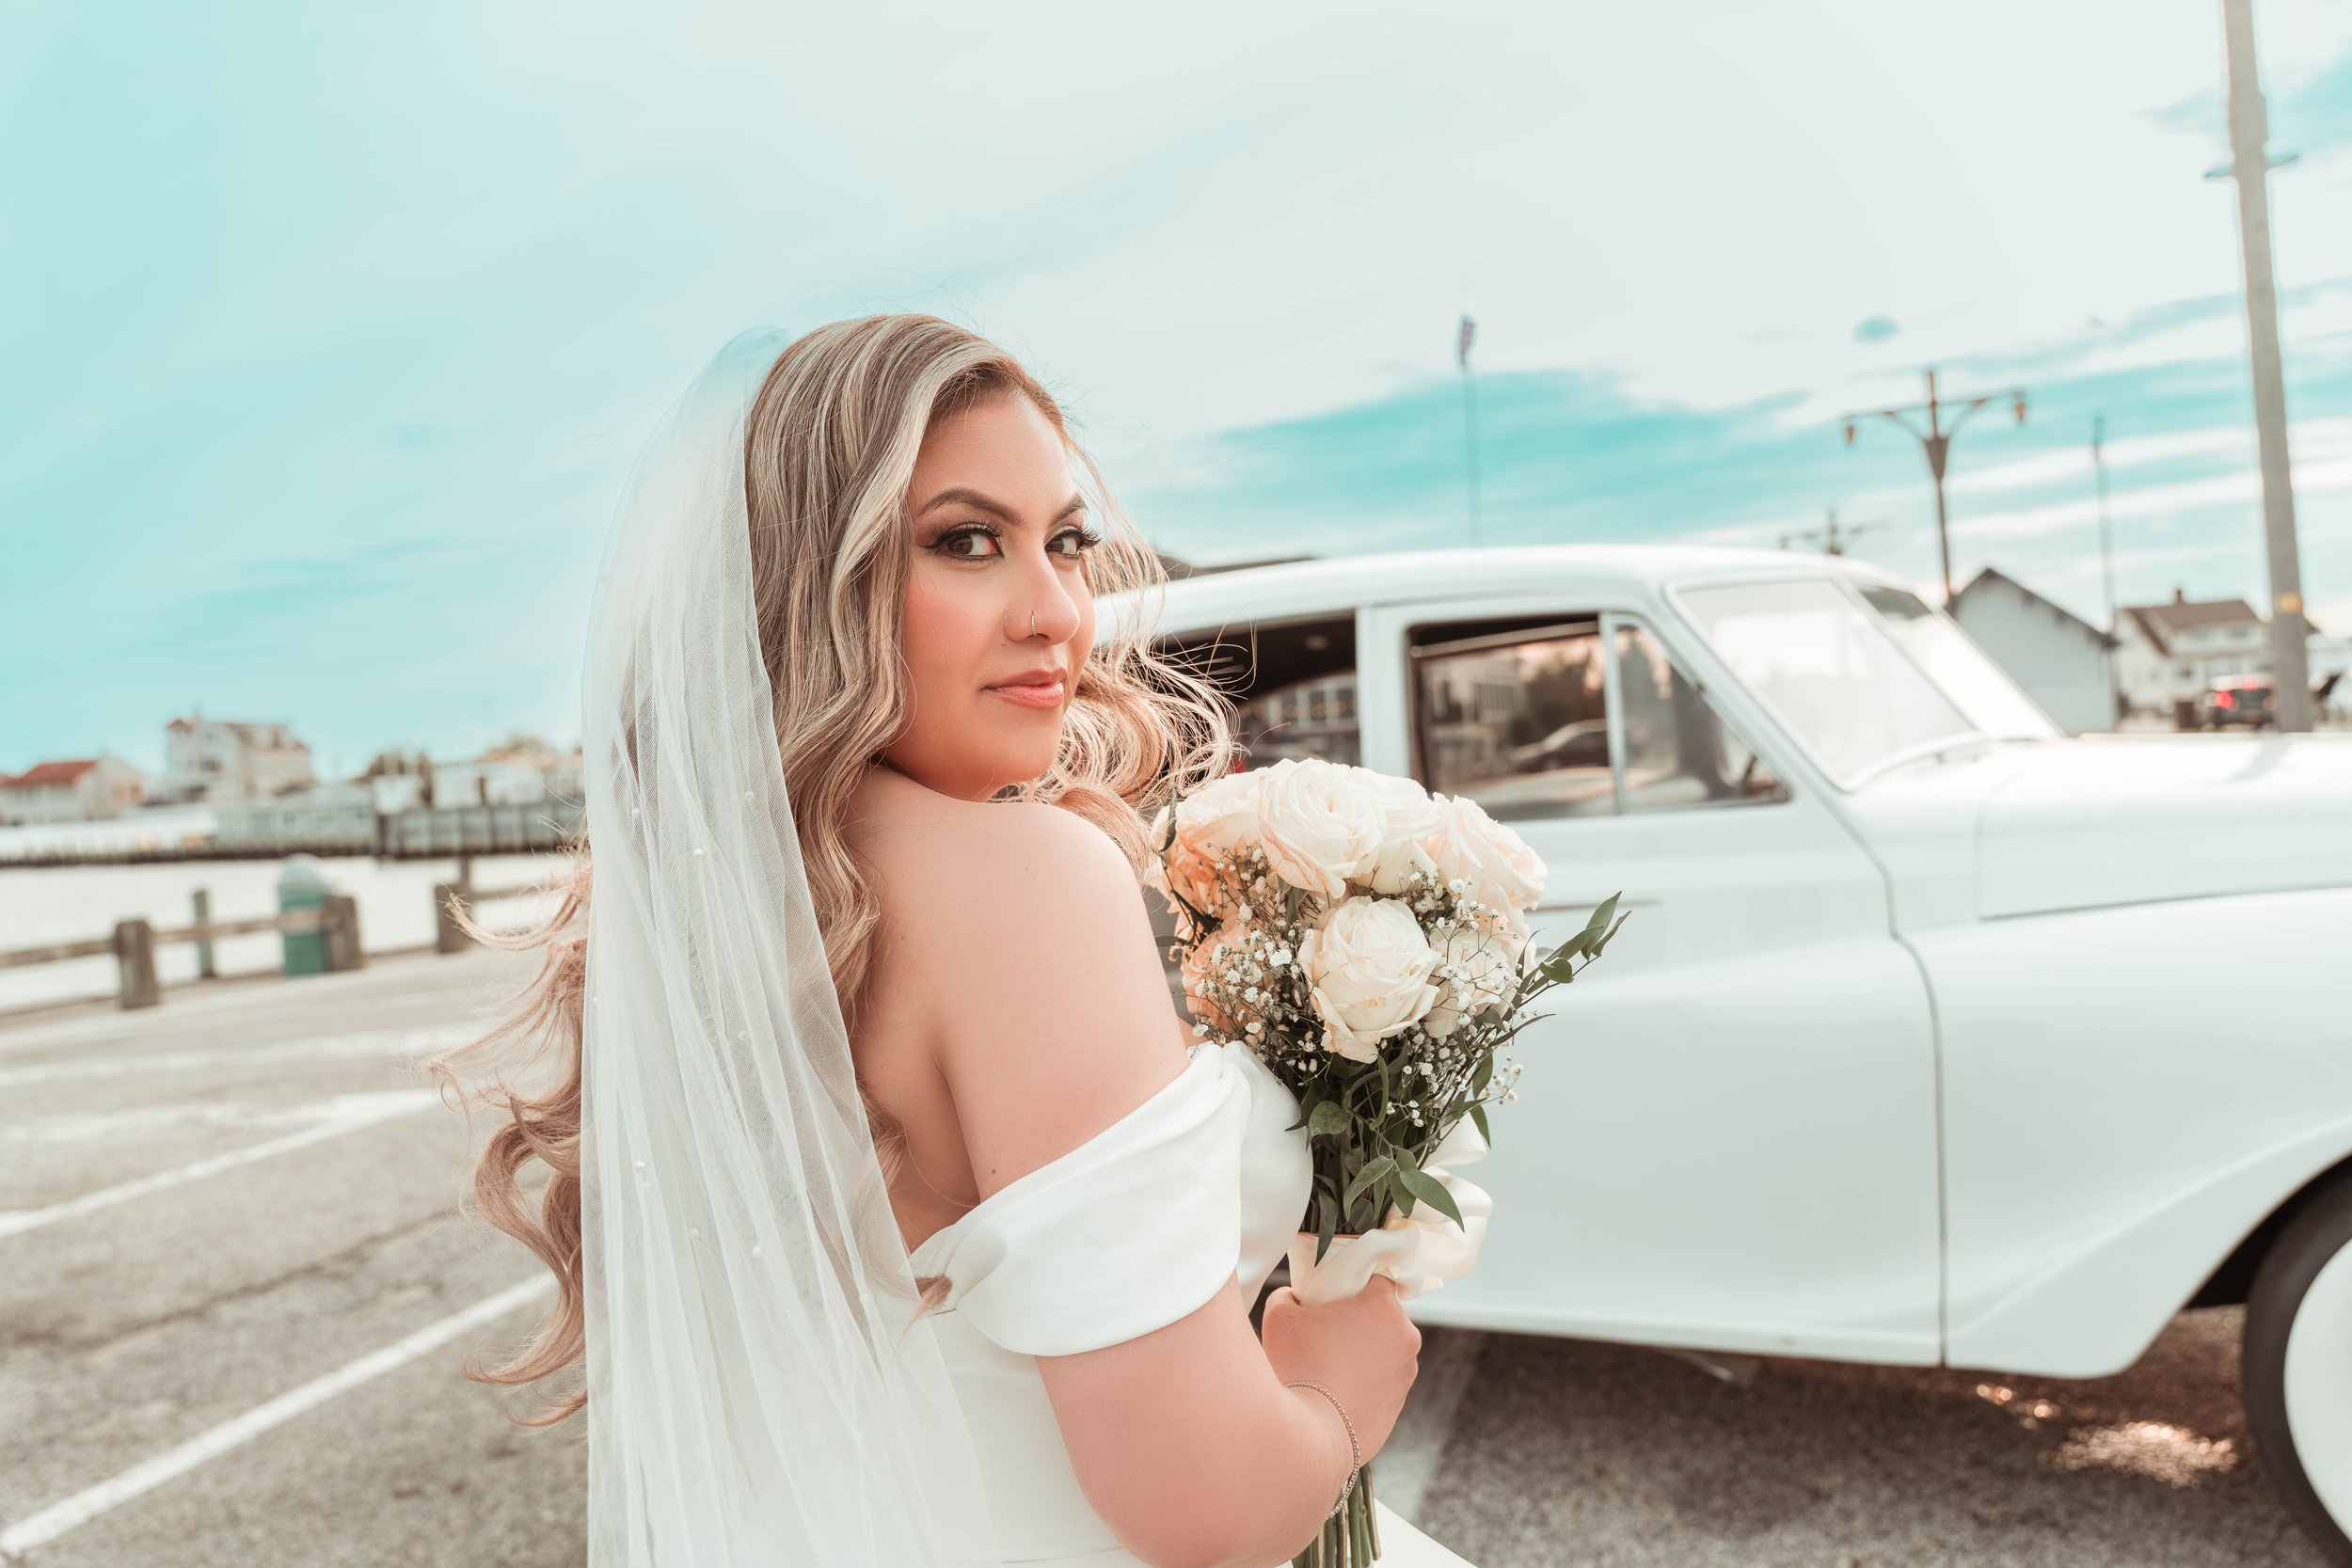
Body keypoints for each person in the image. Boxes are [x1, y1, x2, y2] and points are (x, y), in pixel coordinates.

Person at [432, 316, 1471, 1566]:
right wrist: (1343, 1388)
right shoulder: (1023, 883)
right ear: (811, 580)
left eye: (1067, 542)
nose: (1057, 613)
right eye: (966, 543)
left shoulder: (717, 915)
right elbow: (1212, 1506)